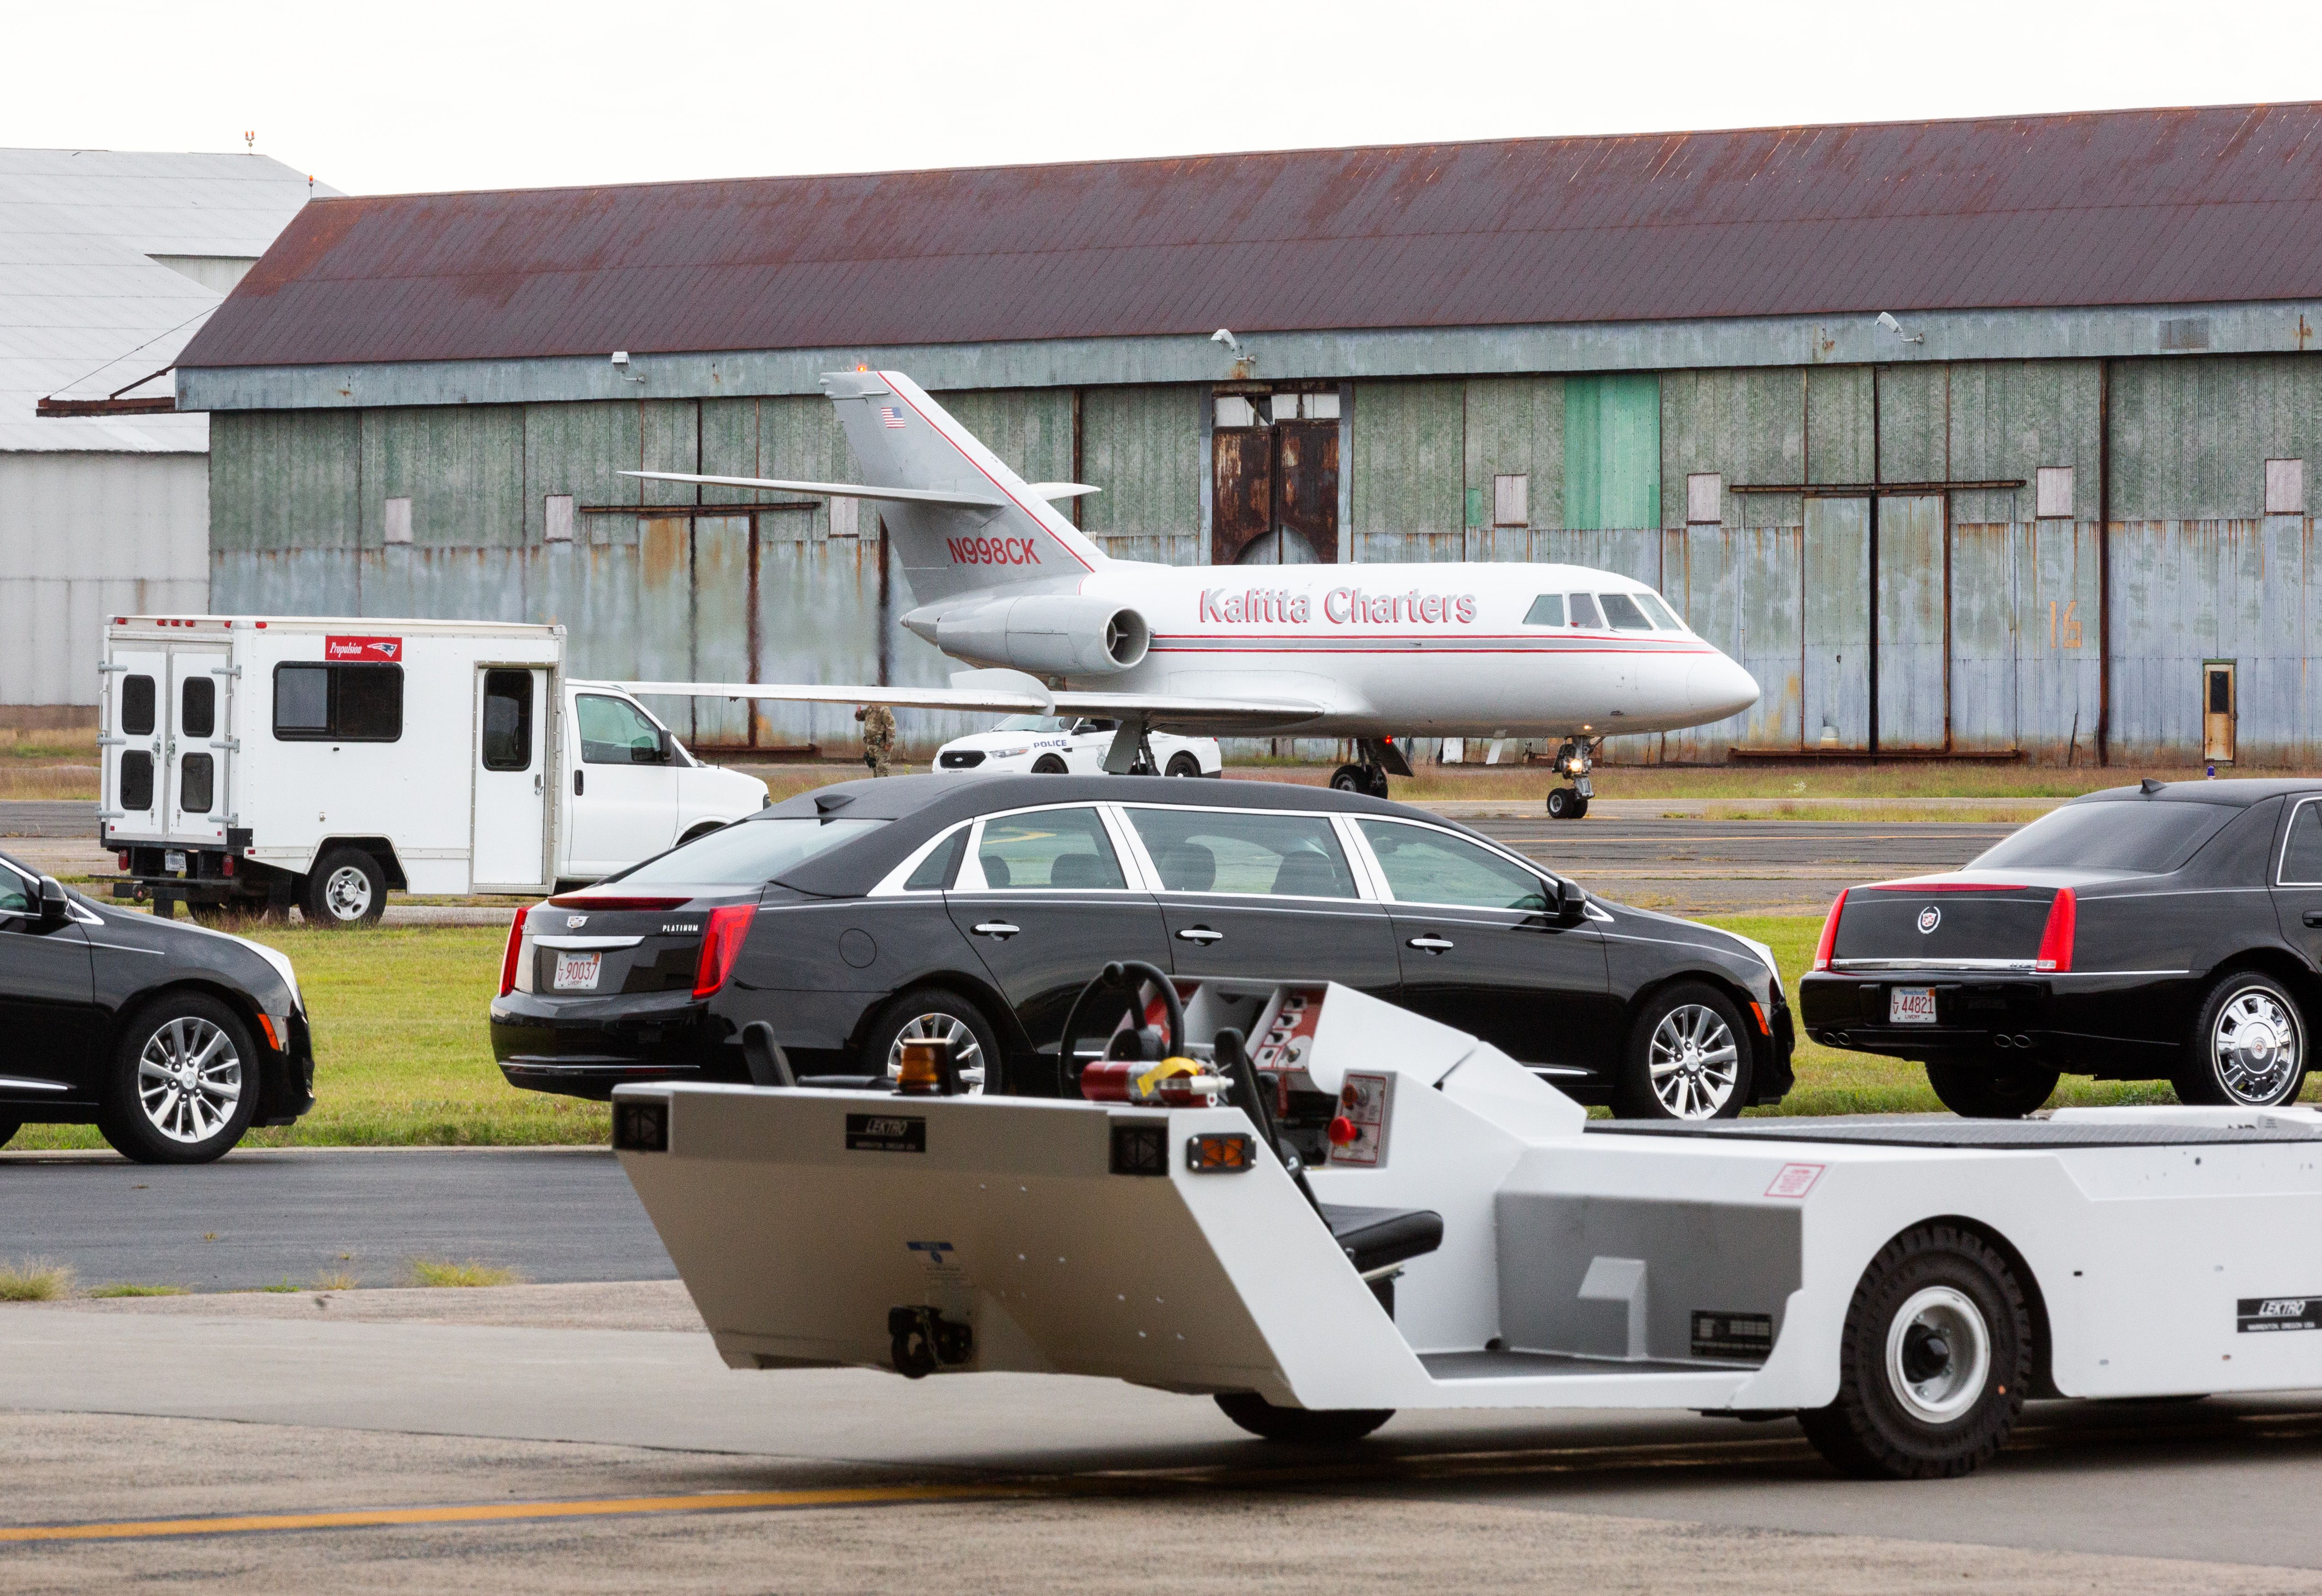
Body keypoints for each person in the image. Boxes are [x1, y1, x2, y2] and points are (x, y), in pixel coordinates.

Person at [856, 703, 897, 777]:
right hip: (872, 746)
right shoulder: (870, 709)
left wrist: (889, 744)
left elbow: (891, 726)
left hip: (882, 747)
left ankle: (883, 789)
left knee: (882, 772)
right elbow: (861, 717)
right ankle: (876, 789)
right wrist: (859, 713)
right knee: (875, 771)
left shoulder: (884, 710)